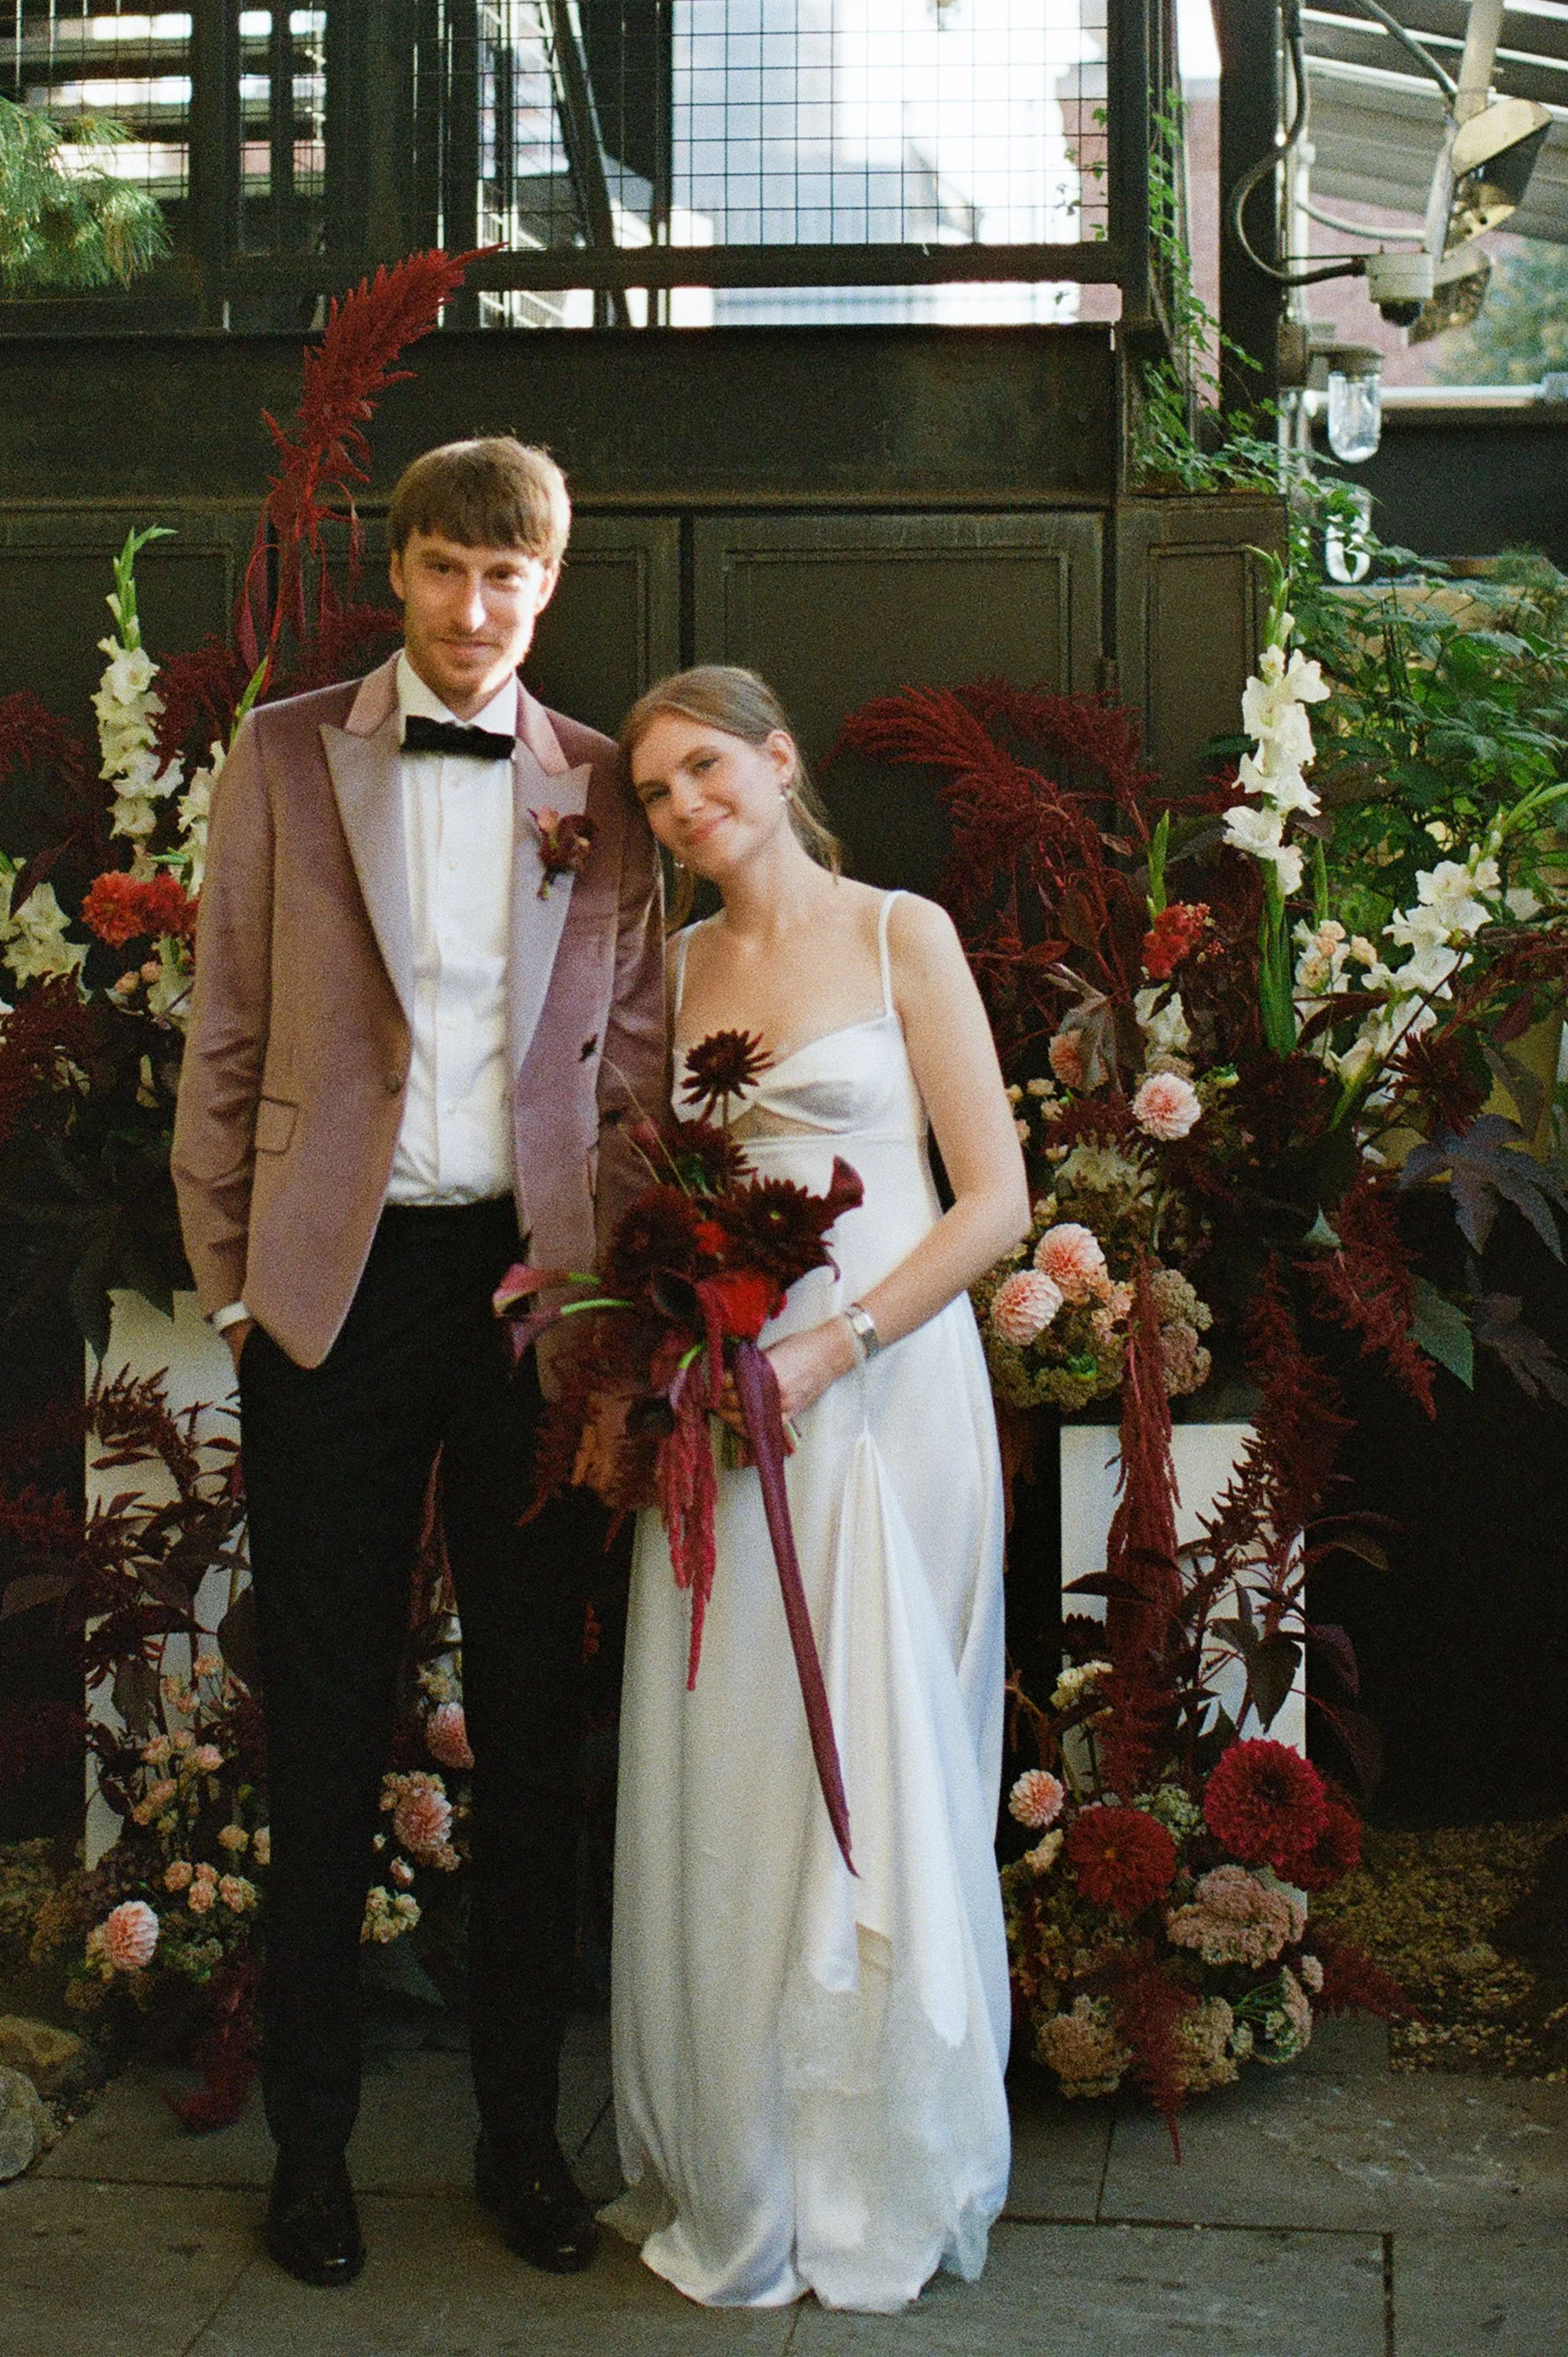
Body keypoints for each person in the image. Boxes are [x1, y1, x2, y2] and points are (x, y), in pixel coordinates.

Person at [171, 437, 663, 2289]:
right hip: (337, 1294)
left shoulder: (605, 787)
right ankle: (312, 2155)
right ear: (400, 570)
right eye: (447, 572)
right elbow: (227, 1025)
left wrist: (607, 1307)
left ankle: (524, 2144)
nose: (474, 612)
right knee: (325, 1712)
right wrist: (234, 1281)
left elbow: (625, 1067)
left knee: (537, 1729)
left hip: (531, 1303)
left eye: (507, 582)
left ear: (550, 588)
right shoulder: (293, 751)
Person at [607, 664, 1030, 2314]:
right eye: (653, 793)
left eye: (706, 769)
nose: (686, 807)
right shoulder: (671, 965)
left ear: (779, 761)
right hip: (721, 1408)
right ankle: (749, 2153)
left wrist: (831, 1349)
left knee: (886, 1748)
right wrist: (675, 1348)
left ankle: (879, 2163)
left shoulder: (895, 933)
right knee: (740, 1757)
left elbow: (991, 1201)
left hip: (880, 1388)